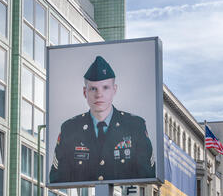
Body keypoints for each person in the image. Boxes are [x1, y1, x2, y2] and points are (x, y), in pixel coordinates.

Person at [49, 55, 155, 184]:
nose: (99, 94)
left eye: (105, 87)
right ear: (84, 92)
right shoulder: (70, 129)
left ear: (114, 90)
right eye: (93, 88)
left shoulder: (135, 126)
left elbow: (148, 178)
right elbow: (58, 180)